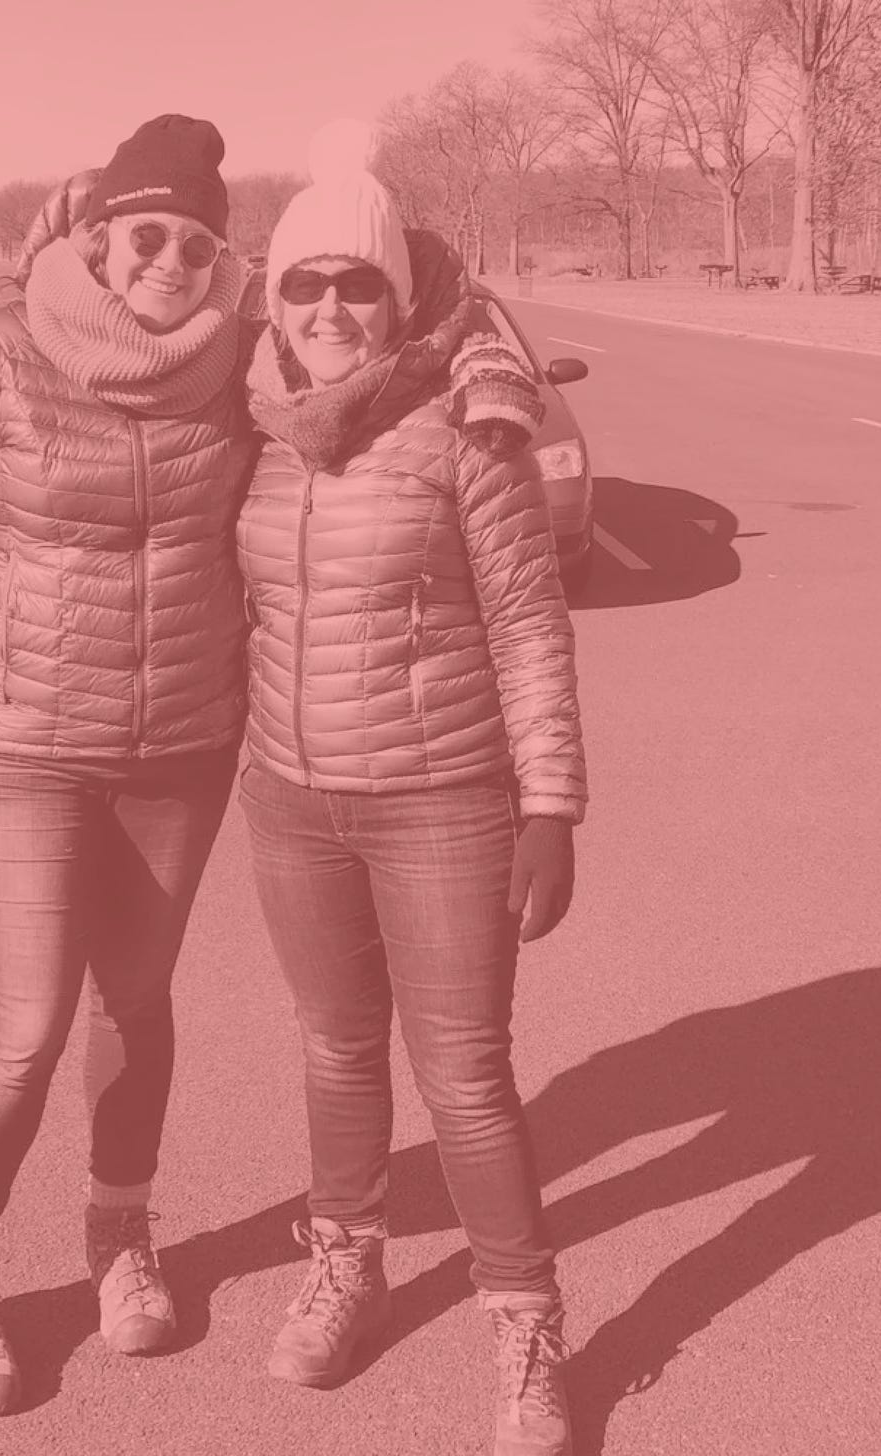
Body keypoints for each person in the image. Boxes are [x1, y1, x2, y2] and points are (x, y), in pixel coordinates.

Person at [0, 114, 255, 1418]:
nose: (174, 264)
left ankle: (119, 1234)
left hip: (183, 744)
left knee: (133, 1003)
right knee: (25, 1022)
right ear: (97, 239)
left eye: (201, 245)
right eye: (150, 235)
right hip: (29, 736)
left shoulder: (243, 364)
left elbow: (369, 360)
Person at [234, 121, 587, 1456]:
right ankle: (350, 1262)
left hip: (444, 798)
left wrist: (549, 803)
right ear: (273, 302)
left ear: (400, 294)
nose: (331, 308)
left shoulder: (461, 422)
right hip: (291, 799)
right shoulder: (253, 426)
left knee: (466, 1077)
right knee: (334, 1049)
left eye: (358, 283)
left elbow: (530, 624)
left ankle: (526, 1328)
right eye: (305, 285)